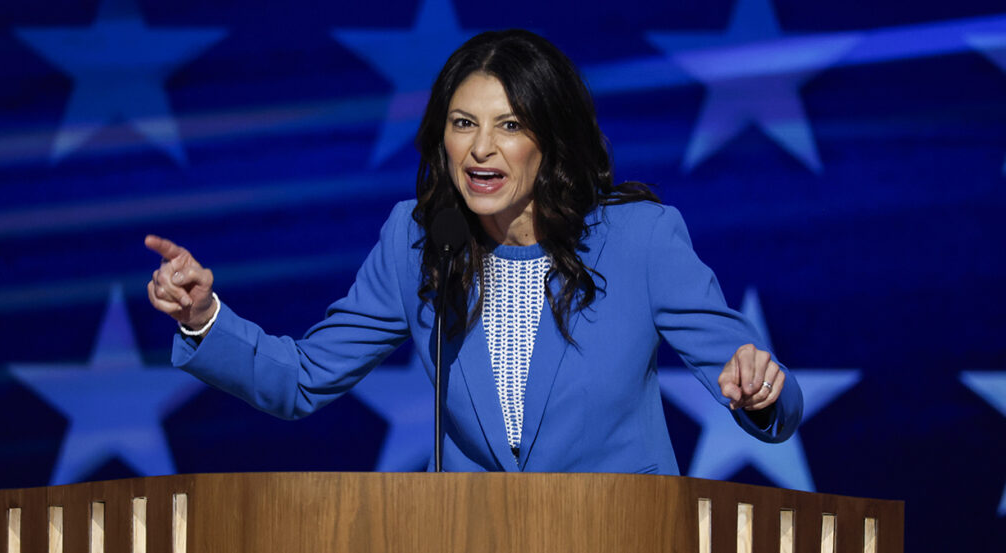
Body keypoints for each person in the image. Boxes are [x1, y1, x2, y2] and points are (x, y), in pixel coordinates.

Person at [146, 29, 802, 473]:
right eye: (464, 124)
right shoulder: (417, 240)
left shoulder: (640, 239)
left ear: (551, 140)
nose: (481, 148)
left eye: (509, 125)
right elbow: (301, 378)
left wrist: (761, 392)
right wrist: (201, 317)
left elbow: (770, 394)